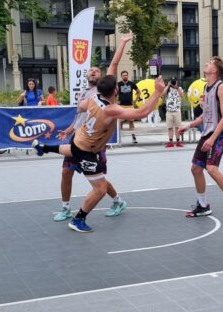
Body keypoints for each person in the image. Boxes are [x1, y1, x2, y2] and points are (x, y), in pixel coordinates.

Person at [35, 33, 134, 222]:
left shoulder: (103, 91)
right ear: (86, 75)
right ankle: (65, 208)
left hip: (95, 144)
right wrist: (69, 129)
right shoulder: (83, 94)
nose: (95, 72)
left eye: (98, 70)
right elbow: (80, 117)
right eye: (92, 70)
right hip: (78, 138)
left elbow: (113, 64)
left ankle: (117, 200)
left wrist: (122, 43)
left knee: (100, 179)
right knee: (66, 171)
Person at [49, 75, 166, 232]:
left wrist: (122, 48)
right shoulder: (111, 110)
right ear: (116, 90)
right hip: (88, 149)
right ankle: (78, 219)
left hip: (81, 142)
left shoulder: (93, 97)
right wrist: (158, 92)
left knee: (96, 177)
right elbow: (142, 112)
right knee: (100, 188)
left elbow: (82, 105)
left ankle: (43, 148)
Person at [176, 57, 223, 225]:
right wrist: (189, 125)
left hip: (218, 135)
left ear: (215, 70)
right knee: (196, 168)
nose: (206, 64)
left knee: (212, 168)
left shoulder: (221, 88)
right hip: (208, 134)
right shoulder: (207, 88)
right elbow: (205, 115)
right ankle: (202, 205)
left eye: (209, 63)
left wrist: (213, 138)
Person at [117, 70, 141, 143]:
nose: (125, 76)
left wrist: (135, 100)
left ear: (128, 76)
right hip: (121, 106)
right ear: (121, 76)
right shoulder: (118, 84)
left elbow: (138, 92)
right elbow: (113, 93)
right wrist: (115, 101)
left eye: (126, 75)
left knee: (131, 122)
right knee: (120, 122)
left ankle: (133, 137)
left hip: (130, 106)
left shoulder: (131, 83)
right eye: (123, 75)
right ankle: (119, 138)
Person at [164, 79, 184, 147]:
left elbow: (182, 95)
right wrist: (168, 85)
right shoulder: (168, 89)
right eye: (173, 82)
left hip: (177, 111)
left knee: (178, 127)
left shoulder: (179, 88)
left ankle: (178, 141)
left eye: (175, 82)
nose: (174, 83)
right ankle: (170, 141)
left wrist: (177, 87)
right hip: (169, 111)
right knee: (170, 127)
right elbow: (163, 94)